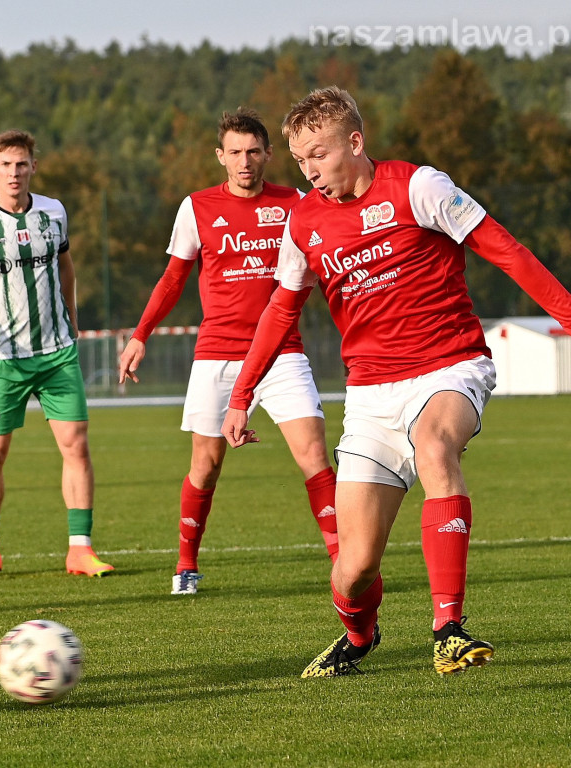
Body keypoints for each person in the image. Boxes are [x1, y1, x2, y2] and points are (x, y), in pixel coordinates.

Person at [223, 86, 571, 677]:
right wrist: (241, 394)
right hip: (370, 397)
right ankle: (358, 638)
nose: (309, 172)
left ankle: (449, 628)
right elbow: (281, 312)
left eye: (320, 154)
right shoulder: (304, 220)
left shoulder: (419, 187)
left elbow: (504, 250)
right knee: (352, 569)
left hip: (450, 365)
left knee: (435, 446)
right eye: (300, 160)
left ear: (355, 142)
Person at [118, 108, 338, 596]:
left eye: (254, 151)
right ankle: (186, 565)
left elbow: (326, 266)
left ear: (268, 155)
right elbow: (174, 277)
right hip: (217, 353)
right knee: (206, 464)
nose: (245, 161)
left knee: (315, 455)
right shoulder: (196, 207)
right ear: (221, 156)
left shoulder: (296, 202)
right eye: (235, 152)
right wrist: (140, 335)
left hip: (283, 350)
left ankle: (345, 563)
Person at [0, 129, 114, 580]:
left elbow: (65, 265)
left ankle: (80, 549)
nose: (14, 172)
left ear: (33, 167)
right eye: (6, 164)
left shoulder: (54, 212)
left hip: (58, 352)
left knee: (76, 445)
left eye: (22, 164)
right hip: (4, 357)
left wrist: (73, 315)